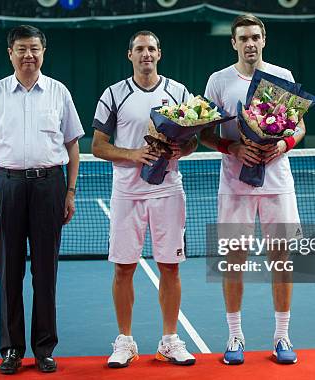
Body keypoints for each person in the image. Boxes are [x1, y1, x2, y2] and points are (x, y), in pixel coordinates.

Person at [0, 25, 84, 374]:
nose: (28, 55)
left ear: (43, 52)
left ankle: (44, 348)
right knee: (10, 273)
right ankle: (11, 350)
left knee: (45, 273)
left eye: (34, 48)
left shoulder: (59, 93)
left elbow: (73, 146)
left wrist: (70, 191)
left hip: (50, 187)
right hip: (6, 187)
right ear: (10, 53)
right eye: (21, 49)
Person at [200, 14, 305, 365]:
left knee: (282, 260)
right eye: (243, 38)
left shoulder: (282, 77)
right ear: (234, 43)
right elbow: (203, 132)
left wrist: (284, 144)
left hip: (277, 182)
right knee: (234, 260)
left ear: (264, 40)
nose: (250, 43)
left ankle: (282, 337)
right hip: (234, 184)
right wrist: (231, 148)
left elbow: (299, 125)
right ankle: (235, 337)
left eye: (255, 37)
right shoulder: (218, 81)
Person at [91, 30, 198, 368]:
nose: (146, 54)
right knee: (124, 268)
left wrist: (184, 147)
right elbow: (97, 146)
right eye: (140, 49)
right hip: (127, 194)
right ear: (130, 55)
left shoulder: (179, 92)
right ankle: (125, 341)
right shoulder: (113, 94)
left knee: (170, 266)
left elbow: (194, 139)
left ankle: (169, 341)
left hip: (168, 191)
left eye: (151, 48)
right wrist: (133, 154)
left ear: (159, 54)